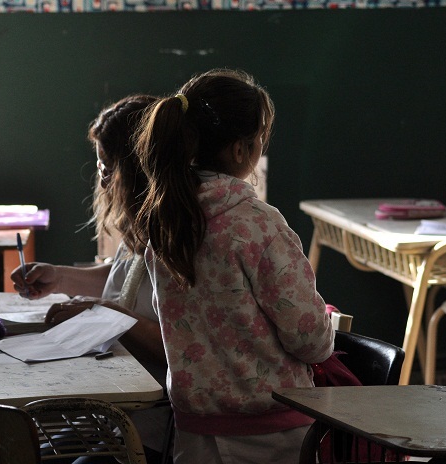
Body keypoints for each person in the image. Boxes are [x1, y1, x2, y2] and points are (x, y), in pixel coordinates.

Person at [133, 69, 335, 464]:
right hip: (274, 434)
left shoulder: (167, 223)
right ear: (242, 151)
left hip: (195, 434)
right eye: (261, 138)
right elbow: (310, 339)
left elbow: (171, 317)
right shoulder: (257, 223)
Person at [10, 94, 170, 463]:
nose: (101, 176)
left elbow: (176, 345)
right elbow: (124, 283)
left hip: (155, 419)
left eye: (106, 164)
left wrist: (104, 311)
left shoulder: (174, 235)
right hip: (113, 403)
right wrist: (60, 277)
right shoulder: (139, 224)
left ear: (134, 168)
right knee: (28, 448)